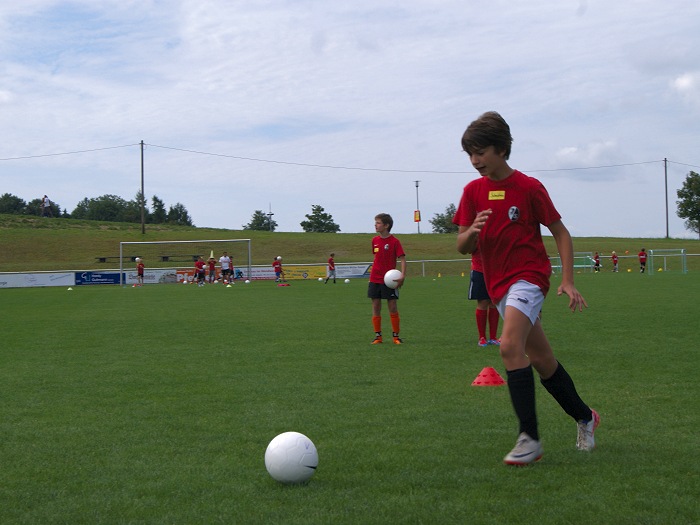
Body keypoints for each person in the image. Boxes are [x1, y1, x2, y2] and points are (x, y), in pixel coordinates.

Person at [453, 111, 599, 466]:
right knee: (543, 361)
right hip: (498, 285)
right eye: (470, 154)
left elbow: (560, 232)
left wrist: (567, 279)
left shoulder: (529, 187)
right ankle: (586, 417)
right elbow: (461, 246)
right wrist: (472, 232)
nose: (475, 161)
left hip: (529, 278)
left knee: (508, 347)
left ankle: (529, 439)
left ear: (502, 149)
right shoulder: (472, 192)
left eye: (481, 152)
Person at [368, 213, 406, 345]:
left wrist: (402, 275)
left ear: (386, 225)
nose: (375, 225)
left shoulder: (395, 242)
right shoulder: (374, 240)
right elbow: (376, 257)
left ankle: (396, 337)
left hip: (389, 280)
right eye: (375, 223)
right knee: (376, 306)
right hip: (374, 278)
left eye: (378, 223)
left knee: (392, 306)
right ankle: (378, 337)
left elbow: (402, 259)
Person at [469, 250, 500, 347]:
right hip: (479, 270)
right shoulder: (476, 239)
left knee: (494, 302)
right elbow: (468, 248)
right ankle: (482, 337)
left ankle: (493, 337)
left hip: (495, 270)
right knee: (483, 302)